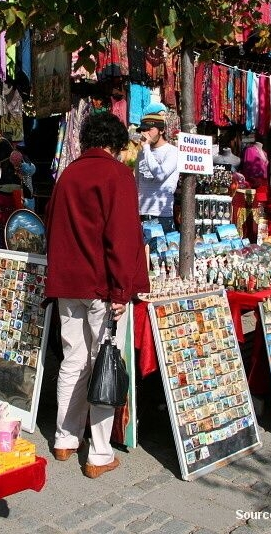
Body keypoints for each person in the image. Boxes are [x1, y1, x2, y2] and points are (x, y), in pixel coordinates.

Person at [45, 112, 150, 479]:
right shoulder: (117, 175)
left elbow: (52, 227)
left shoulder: (68, 175)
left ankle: (64, 438)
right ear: (115, 145)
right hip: (102, 287)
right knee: (103, 360)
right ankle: (99, 453)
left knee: (73, 359)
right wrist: (122, 289)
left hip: (67, 284)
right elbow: (121, 238)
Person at [135, 105, 179, 234]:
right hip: (142, 213)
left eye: (150, 129)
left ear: (161, 130)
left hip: (161, 215)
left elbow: (160, 175)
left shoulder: (172, 152)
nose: (146, 133)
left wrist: (146, 148)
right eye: (143, 129)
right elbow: (137, 182)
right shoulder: (142, 153)